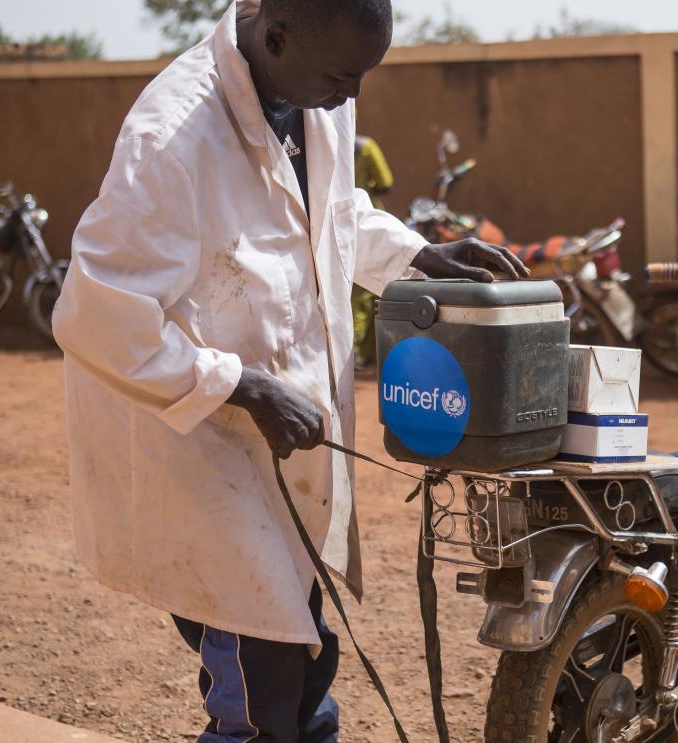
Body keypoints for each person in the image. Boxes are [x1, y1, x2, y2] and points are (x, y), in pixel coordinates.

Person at [51, 1, 528, 741]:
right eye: (345, 75)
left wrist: (416, 256)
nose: (354, 96)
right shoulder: (172, 139)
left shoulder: (311, 91)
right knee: (261, 670)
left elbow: (329, 212)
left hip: (274, 437)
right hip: (196, 442)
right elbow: (95, 314)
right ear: (274, 38)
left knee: (299, 648)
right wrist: (239, 384)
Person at [351, 134, 393, 369]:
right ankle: (359, 352)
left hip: (333, 221)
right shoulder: (366, 147)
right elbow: (385, 183)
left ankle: (355, 353)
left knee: (348, 295)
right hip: (367, 223)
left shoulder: (325, 138)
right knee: (368, 293)